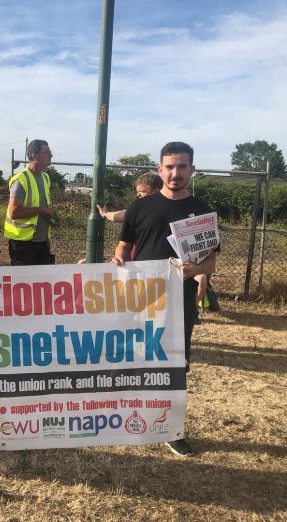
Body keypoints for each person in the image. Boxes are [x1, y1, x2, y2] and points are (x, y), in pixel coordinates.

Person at [111, 141, 218, 457]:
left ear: (192, 170)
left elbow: (210, 262)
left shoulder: (203, 212)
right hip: (141, 298)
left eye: (182, 166)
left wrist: (192, 270)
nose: (176, 173)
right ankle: (130, 418)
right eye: (170, 167)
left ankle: (172, 428)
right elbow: (122, 246)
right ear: (160, 170)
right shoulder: (139, 208)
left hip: (180, 299)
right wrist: (118, 260)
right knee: (136, 358)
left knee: (175, 362)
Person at [4, 139, 56, 265]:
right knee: (22, 283)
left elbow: (42, 204)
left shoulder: (45, 177)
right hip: (23, 244)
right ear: (34, 155)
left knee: (42, 282)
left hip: (42, 241)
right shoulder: (21, 179)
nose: (51, 156)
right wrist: (42, 209)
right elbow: (14, 212)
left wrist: (50, 216)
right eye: (46, 152)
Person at [97, 172, 163, 223]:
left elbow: (126, 215)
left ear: (156, 191)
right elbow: (126, 214)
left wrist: (104, 214)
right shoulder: (142, 208)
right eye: (138, 191)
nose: (138, 194)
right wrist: (104, 214)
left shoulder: (161, 208)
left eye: (142, 191)